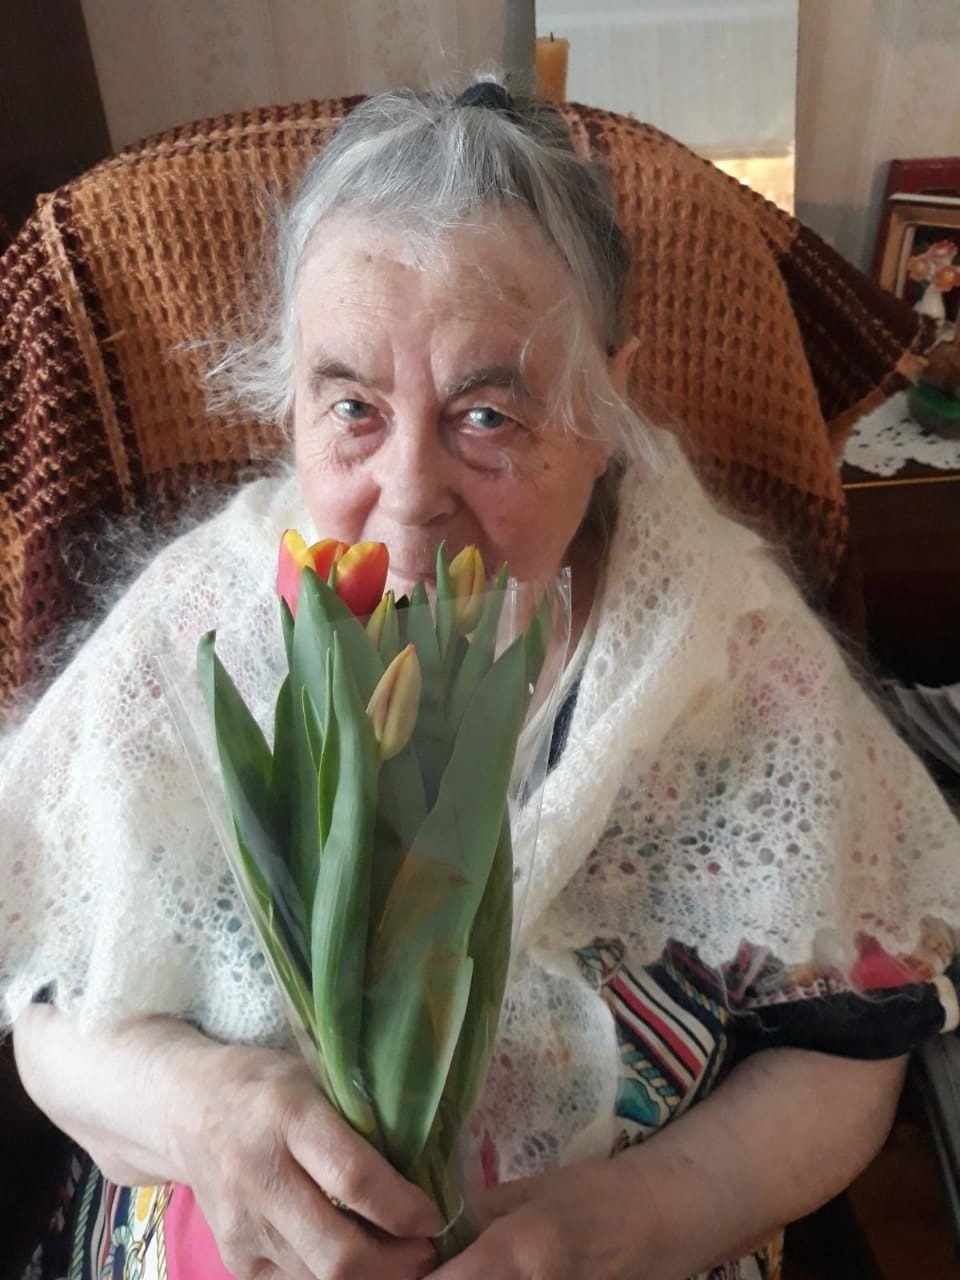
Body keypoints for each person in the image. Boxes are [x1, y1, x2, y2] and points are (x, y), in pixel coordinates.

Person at [3, 76, 959, 1280]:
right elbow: (44, 1007)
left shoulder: (727, 654)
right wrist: (205, 1111)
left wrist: (622, 1224)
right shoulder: (200, 626)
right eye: (353, 405)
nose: (410, 500)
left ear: (605, 403)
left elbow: (853, 1045)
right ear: (290, 401)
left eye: (489, 415)